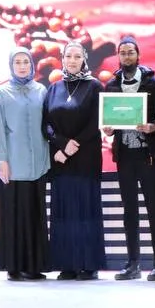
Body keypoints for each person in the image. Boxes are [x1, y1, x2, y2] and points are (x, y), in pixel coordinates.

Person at [102, 36, 155, 280]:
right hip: (124, 155)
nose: (127, 56)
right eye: (123, 53)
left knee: (154, 209)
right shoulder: (111, 85)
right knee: (129, 211)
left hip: (147, 154)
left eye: (131, 52)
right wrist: (108, 129)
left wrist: (153, 127)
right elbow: (109, 118)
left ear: (138, 55)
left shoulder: (153, 83)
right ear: (118, 56)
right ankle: (133, 264)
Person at [43, 41, 105, 280]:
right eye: (68, 56)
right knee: (64, 213)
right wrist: (60, 144)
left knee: (86, 213)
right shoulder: (54, 88)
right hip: (61, 161)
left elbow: (96, 122)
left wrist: (72, 146)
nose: (72, 60)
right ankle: (66, 265)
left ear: (84, 59)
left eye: (77, 56)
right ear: (62, 59)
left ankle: (88, 265)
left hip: (86, 159)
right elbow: (45, 123)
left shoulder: (94, 86)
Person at [0, 49, 50, 281]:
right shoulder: (2, 93)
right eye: (18, 62)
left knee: (35, 215)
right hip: (13, 164)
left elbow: (47, 125)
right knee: (14, 215)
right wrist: (2, 160)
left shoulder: (41, 90)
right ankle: (14, 266)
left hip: (38, 163)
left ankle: (34, 266)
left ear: (32, 65)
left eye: (26, 62)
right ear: (11, 65)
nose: (22, 66)